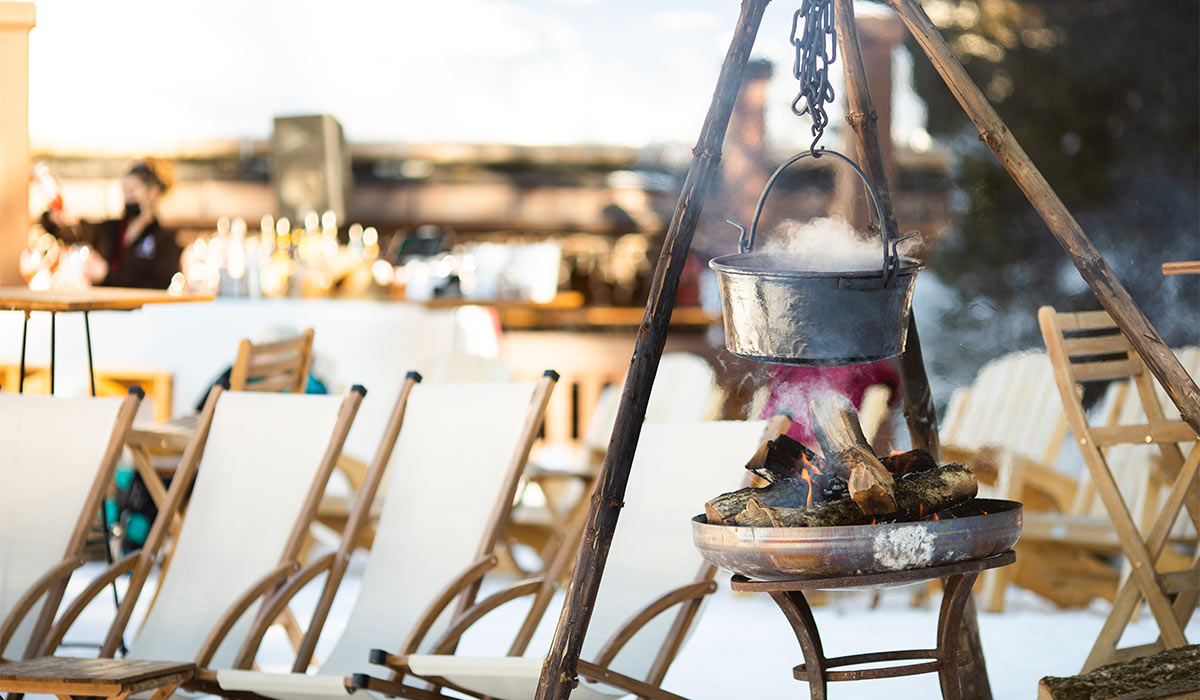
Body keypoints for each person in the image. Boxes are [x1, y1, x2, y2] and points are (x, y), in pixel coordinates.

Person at [40, 157, 181, 289]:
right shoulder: (112, 229)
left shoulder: (165, 240)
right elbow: (76, 232)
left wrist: (107, 275)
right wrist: (54, 220)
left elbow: (157, 286)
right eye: (124, 190)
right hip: (101, 311)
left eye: (132, 190)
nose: (127, 197)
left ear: (153, 193)